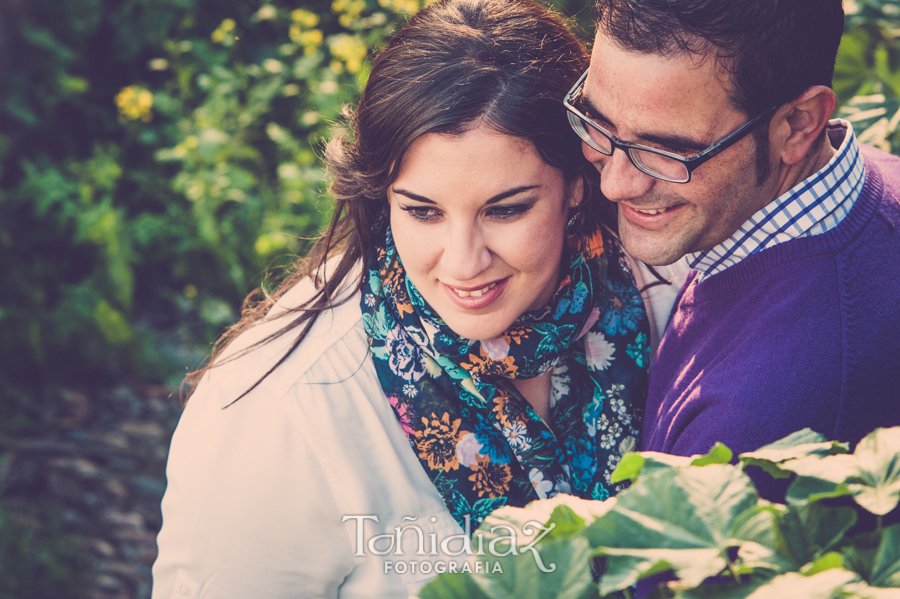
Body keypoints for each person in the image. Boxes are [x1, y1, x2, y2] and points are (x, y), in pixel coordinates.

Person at [151, 1, 682, 597]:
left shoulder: (662, 300)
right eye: (422, 211)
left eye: (506, 209)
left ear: (579, 187)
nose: (463, 261)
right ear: (382, 198)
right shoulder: (283, 412)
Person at [565, 0, 900, 501]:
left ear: (799, 125)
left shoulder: (754, 434)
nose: (615, 184)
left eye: (665, 150)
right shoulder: (877, 180)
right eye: (596, 120)